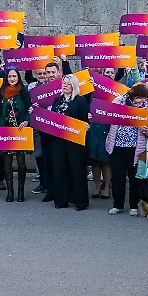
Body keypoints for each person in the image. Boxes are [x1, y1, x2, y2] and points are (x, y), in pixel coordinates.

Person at [105, 83, 148, 216]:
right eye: (139, 97)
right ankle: (117, 205)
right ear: (132, 95)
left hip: (136, 149)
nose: (141, 101)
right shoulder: (118, 102)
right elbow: (107, 116)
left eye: (144, 98)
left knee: (135, 178)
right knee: (117, 177)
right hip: (117, 146)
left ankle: (133, 206)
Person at [0, 68, 32, 202]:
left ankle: (20, 191)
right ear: (7, 78)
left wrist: (27, 120)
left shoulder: (23, 92)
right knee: (7, 164)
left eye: (14, 76)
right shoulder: (2, 93)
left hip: (20, 131)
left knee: (21, 163)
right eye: (10, 76)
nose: (12, 79)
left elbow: (29, 108)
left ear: (18, 77)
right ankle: (10, 192)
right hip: (6, 132)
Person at [48, 74, 91, 210]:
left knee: (77, 170)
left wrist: (86, 125)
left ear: (74, 85)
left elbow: (85, 121)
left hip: (74, 142)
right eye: (64, 83)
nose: (65, 85)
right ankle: (61, 199)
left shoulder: (80, 101)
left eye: (68, 83)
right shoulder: (57, 100)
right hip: (58, 141)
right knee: (59, 169)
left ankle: (79, 201)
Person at [35, 58, 74, 197]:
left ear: (59, 73)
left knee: (64, 160)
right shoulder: (40, 90)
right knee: (48, 159)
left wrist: (64, 61)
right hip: (46, 128)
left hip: (63, 129)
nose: (50, 74)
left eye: (53, 72)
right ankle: (49, 189)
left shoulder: (65, 87)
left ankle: (65, 190)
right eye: (48, 72)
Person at [88, 68, 115, 200]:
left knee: (106, 161)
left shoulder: (115, 96)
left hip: (107, 129)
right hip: (94, 129)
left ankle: (106, 188)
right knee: (95, 161)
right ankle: (97, 187)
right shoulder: (93, 94)